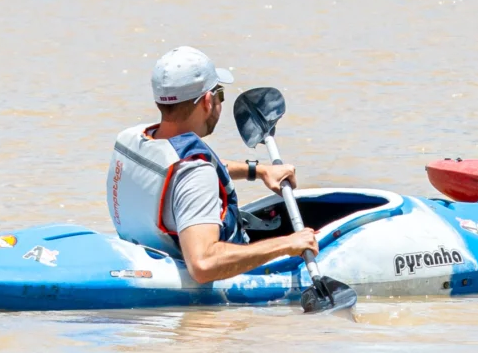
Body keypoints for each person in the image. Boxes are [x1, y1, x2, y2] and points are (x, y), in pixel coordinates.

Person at [107, 45, 320, 284]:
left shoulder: (135, 138)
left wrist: (258, 171)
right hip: (218, 274)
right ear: (208, 101)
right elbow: (203, 265)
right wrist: (287, 244)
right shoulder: (196, 173)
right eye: (220, 94)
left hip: (148, 251)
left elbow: (182, 174)